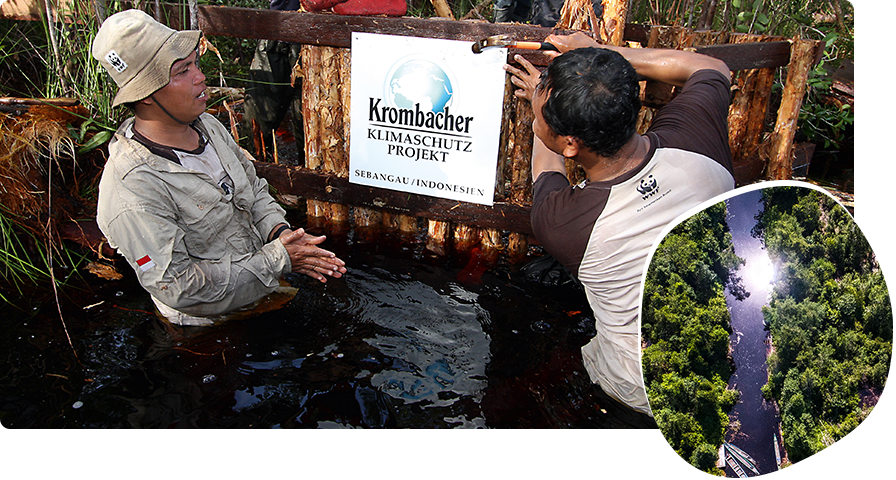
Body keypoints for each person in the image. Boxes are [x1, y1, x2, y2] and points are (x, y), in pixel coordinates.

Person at [504, 32, 735, 415]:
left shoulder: (565, 224)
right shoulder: (697, 139)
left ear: (571, 144)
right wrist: (602, 55)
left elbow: (548, 167)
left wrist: (537, 112)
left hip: (639, 395)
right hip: (731, 366)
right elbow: (712, 67)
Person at [91, 9, 346, 326]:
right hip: (208, 328)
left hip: (266, 288)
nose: (200, 77)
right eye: (182, 72)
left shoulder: (208, 127)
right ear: (145, 97)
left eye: (195, 64)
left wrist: (282, 235)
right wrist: (278, 259)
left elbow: (252, 189)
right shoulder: (132, 188)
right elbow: (179, 286)